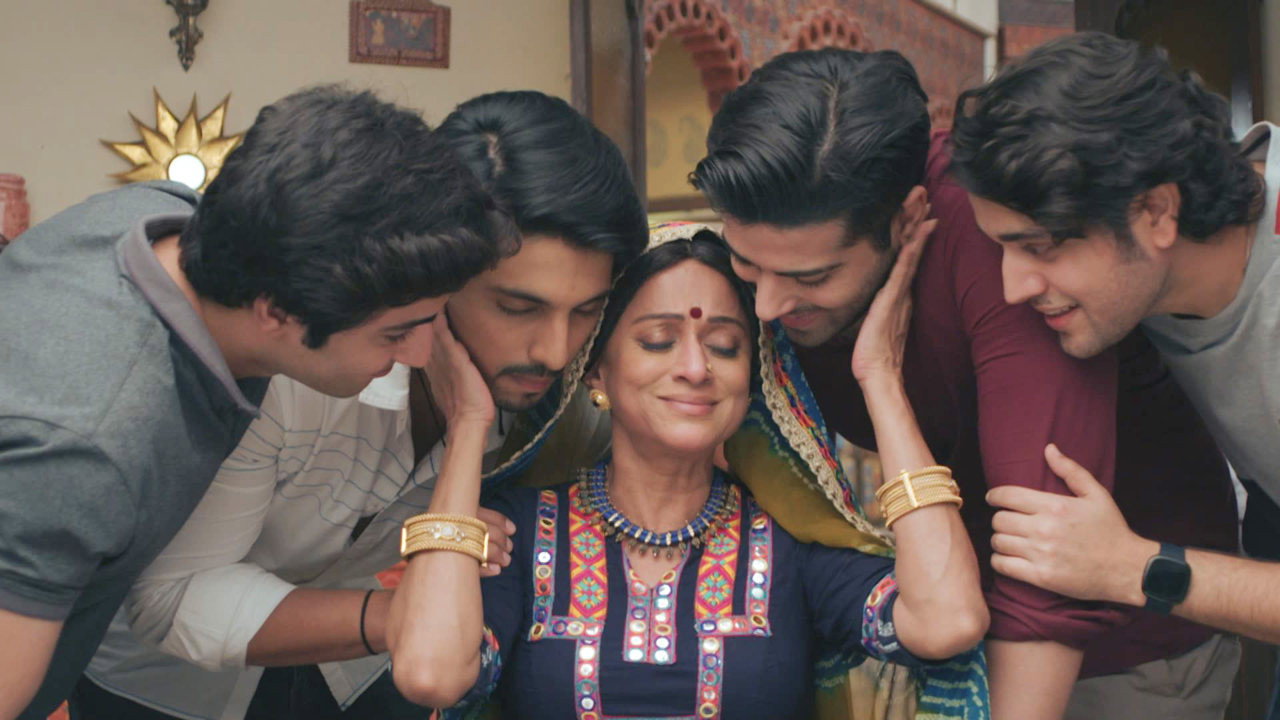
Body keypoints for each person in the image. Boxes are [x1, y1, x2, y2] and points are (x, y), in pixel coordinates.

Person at [689, 48, 1240, 720]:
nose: (769, 305)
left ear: (907, 221)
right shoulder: (775, 255)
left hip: (1122, 652)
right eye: (748, 265)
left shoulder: (1006, 246)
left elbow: (1048, 557)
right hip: (945, 621)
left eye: (811, 278)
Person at [72, 90, 648, 720]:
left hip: (347, 679)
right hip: (166, 689)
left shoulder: (559, 397)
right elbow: (174, 600)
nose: (555, 351)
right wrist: (412, 610)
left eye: (586, 310)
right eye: (517, 307)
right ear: (441, 269)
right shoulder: (305, 358)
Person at [0, 85, 506, 720]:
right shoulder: (86, 452)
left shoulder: (160, 212)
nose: (422, 353)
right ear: (277, 312)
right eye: (396, 333)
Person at [382, 225, 990, 720]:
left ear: (753, 379)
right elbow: (431, 676)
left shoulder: (788, 543)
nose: (696, 368)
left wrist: (879, 376)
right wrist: (469, 422)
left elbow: (949, 621)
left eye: (725, 346)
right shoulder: (517, 531)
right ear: (596, 370)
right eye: (658, 340)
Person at [949, 29, 1280, 683]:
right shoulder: (1153, 259)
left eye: (1041, 247)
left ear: (1156, 212)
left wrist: (1131, 567)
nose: (1013, 288)